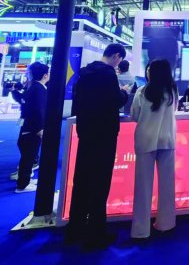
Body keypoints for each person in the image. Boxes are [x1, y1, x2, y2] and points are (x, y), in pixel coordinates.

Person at [65, 43, 128, 249]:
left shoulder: (85, 73)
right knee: (100, 185)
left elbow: (78, 103)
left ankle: (75, 229)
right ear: (116, 56)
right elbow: (114, 100)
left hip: (86, 133)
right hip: (104, 135)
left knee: (82, 182)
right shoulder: (108, 74)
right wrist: (124, 93)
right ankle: (95, 234)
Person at [130, 59, 178, 239]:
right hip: (168, 140)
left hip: (145, 140)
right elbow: (175, 110)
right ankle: (166, 224)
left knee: (142, 187)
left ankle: (140, 230)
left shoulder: (142, 91)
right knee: (167, 185)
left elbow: (134, 115)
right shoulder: (172, 91)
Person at [15, 62, 49, 193]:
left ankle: (26, 179)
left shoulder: (33, 87)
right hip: (33, 129)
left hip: (28, 127)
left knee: (29, 155)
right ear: (45, 75)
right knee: (28, 156)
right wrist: (40, 128)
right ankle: (22, 185)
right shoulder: (38, 89)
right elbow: (38, 110)